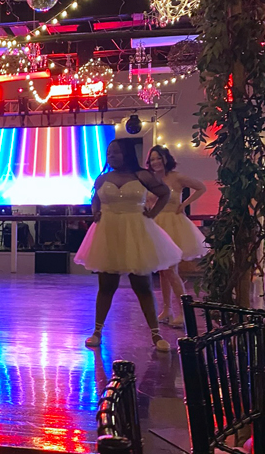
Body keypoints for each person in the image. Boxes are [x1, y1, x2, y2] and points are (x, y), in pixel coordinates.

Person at [73, 139, 183, 352]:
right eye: (109, 153)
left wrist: (152, 213)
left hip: (135, 230)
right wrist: (95, 211)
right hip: (108, 231)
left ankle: (155, 334)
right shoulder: (103, 178)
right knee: (106, 285)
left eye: (115, 153)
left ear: (127, 154)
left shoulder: (141, 175)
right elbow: (95, 198)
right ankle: (97, 331)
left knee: (142, 285)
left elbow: (165, 193)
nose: (111, 157)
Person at [146, 145, 208, 328]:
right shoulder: (150, 180)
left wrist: (184, 205)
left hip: (173, 224)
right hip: (156, 225)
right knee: (163, 271)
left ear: (166, 159)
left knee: (171, 271)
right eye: (152, 159)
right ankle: (167, 310)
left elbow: (201, 187)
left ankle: (184, 312)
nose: (155, 162)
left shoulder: (177, 177)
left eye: (159, 158)